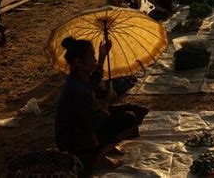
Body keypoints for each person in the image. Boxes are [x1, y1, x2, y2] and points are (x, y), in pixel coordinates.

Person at [55, 37, 148, 172]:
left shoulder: (78, 77)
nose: (95, 59)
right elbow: (93, 123)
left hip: (82, 127)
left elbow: (93, 82)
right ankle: (97, 156)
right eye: (92, 56)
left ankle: (105, 145)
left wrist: (103, 55)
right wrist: (106, 104)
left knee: (135, 109)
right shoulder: (76, 90)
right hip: (75, 139)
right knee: (129, 117)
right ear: (79, 62)